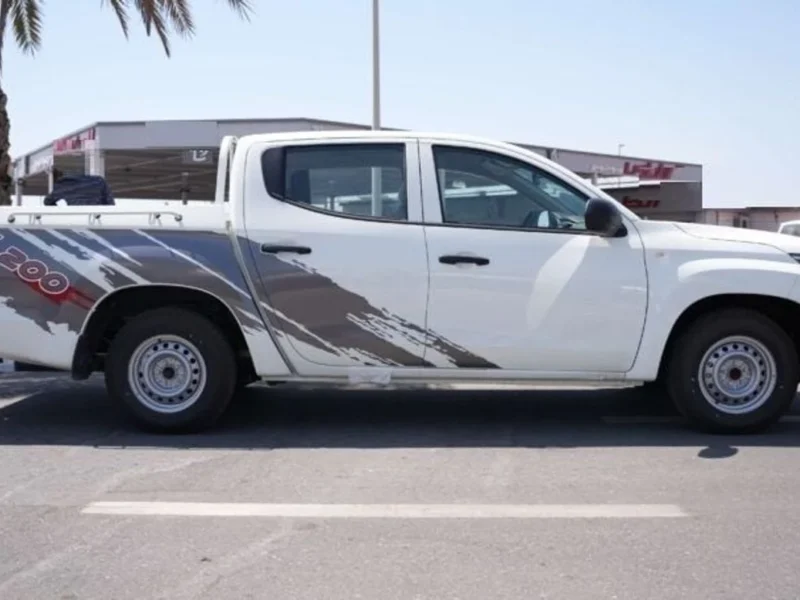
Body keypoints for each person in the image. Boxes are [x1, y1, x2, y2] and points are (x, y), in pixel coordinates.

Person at [43, 167, 115, 206]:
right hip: (98, 218)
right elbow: (110, 203)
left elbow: (47, 202)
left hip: (79, 218)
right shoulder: (99, 180)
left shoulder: (60, 186)